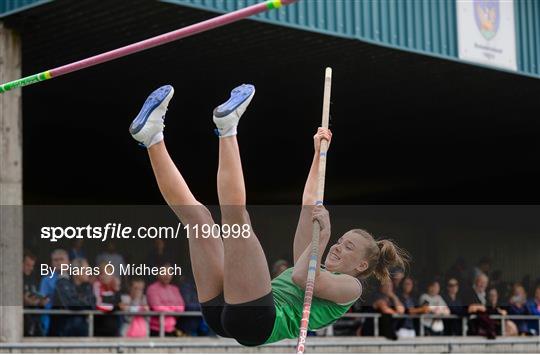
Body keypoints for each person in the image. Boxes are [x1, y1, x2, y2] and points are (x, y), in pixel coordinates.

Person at [128, 84, 408, 346]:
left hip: (257, 321)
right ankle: (153, 136)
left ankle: (227, 129)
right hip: (227, 312)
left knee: (237, 221)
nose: (337, 245)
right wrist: (318, 155)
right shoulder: (313, 257)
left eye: (348, 247)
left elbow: (302, 278)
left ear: (361, 266)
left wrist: (322, 237)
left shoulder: (351, 287)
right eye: (341, 240)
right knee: (197, 218)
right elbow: (309, 202)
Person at [50, 258, 96, 336]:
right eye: (86, 270)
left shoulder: (87, 286)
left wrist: (79, 302)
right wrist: (83, 303)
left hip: (82, 328)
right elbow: (71, 304)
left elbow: (92, 304)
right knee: (77, 320)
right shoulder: (62, 283)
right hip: (62, 330)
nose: (89, 273)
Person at [146, 262, 185, 336]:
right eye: (164, 272)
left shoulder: (174, 289)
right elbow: (157, 307)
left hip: (172, 328)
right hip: (156, 330)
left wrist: (168, 308)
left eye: (169, 272)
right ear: (158, 274)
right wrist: (174, 309)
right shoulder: (152, 289)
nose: (167, 275)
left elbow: (181, 307)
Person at [39, 249, 69, 335]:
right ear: (52, 263)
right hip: (52, 319)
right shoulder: (46, 280)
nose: (59, 262)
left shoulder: (74, 277)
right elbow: (42, 301)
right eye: (55, 260)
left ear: (68, 261)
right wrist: (42, 301)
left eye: (61, 259)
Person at [93, 262, 123, 336]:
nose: (104, 276)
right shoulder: (96, 287)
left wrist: (117, 288)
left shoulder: (115, 289)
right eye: (102, 274)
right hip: (99, 328)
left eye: (107, 273)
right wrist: (114, 307)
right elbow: (98, 305)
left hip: (114, 329)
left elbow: (120, 305)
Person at [463, 273, 497, 339]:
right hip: (473, 324)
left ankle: (491, 330)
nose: (482, 285)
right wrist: (479, 307)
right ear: (476, 282)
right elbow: (469, 308)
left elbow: (489, 308)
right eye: (480, 282)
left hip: (486, 325)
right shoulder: (468, 293)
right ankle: (490, 330)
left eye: (484, 283)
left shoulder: (486, 295)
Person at [23, 250, 46, 336]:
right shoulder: (15, 277)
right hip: (20, 320)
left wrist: (41, 302)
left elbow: (36, 293)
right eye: (28, 265)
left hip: (34, 318)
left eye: (32, 266)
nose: (31, 268)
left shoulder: (33, 277)